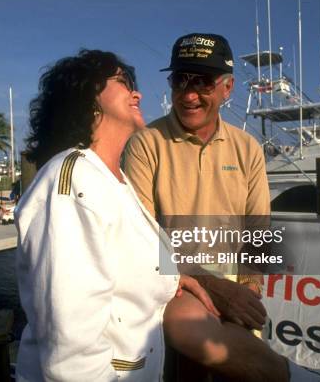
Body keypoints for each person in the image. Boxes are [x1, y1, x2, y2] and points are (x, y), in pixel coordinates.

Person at [124, 33, 320, 381]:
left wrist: (247, 292)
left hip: (235, 297)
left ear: (227, 88)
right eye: (180, 80)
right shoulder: (145, 145)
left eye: (202, 81)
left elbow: (256, 236)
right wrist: (214, 289)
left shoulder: (248, 148)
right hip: (171, 292)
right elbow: (141, 242)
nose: (189, 95)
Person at [15, 49, 218, 381]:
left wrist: (170, 279)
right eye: (123, 82)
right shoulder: (73, 182)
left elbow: (118, 262)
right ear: (86, 95)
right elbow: (71, 345)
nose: (136, 92)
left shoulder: (115, 180)